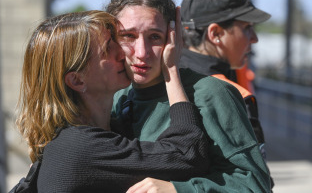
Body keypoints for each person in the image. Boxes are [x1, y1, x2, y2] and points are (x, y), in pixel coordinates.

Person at [11, 10, 209, 193]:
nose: (123, 53)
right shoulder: (79, 147)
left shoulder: (89, 135)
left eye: (116, 41)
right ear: (77, 80)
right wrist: (171, 71)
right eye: (107, 49)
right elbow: (187, 154)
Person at [106, 0, 271, 192]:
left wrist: (177, 189)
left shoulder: (211, 93)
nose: (141, 52)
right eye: (128, 36)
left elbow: (254, 184)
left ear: (174, 36)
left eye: (154, 37)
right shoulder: (116, 96)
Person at [180, 0, 270, 164]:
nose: (254, 38)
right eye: (247, 28)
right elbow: (252, 182)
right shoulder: (230, 93)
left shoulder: (164, 77)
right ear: (216, 34)